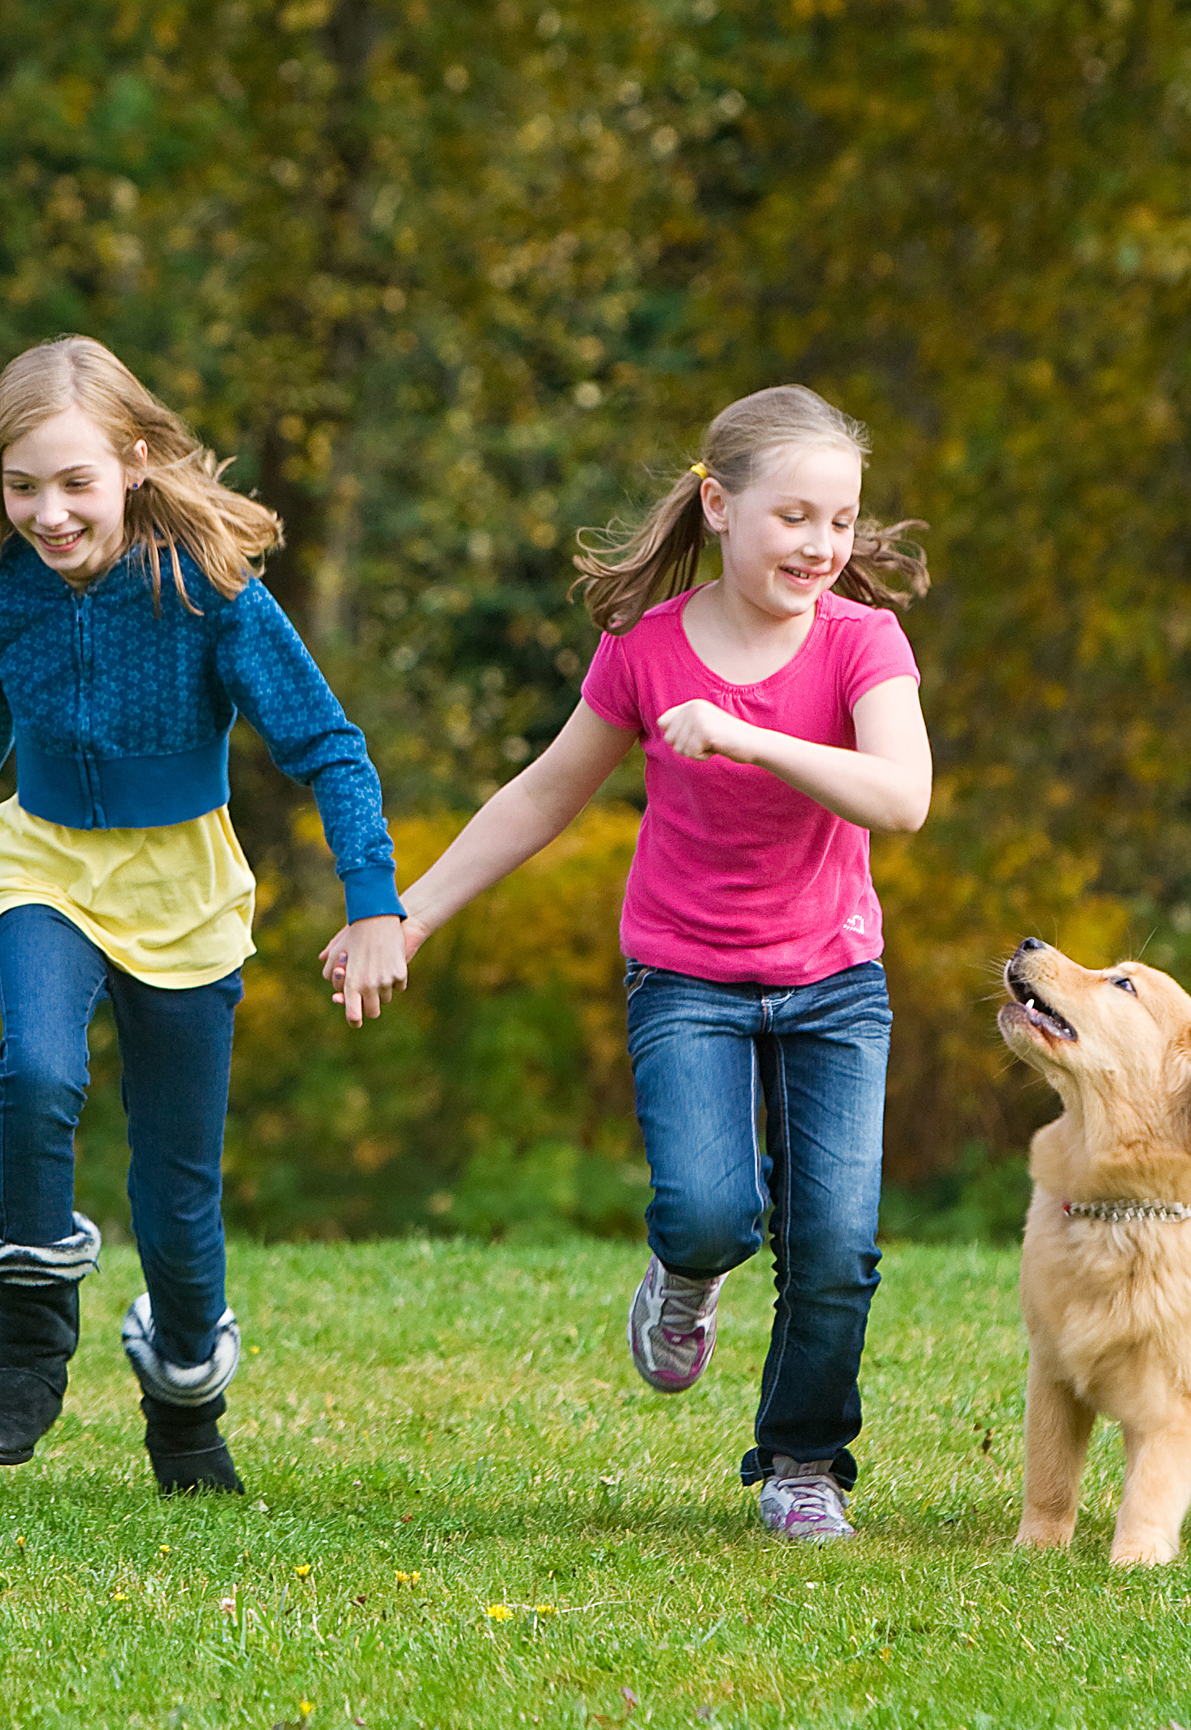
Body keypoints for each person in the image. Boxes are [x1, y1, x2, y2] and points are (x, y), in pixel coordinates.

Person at [335, 383, 931, 1541]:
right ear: (718, 504)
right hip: (688, 979)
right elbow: (543, 795)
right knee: (711, 1211)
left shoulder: (864, 643)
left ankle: (804, 1462)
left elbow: (902, 797)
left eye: (842, 522)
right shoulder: (646, 652)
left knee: (837, 1245)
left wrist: (753, 736)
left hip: (834, 984)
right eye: (794, 516)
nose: (821, 546)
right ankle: (686, 1275)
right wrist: (410, 915)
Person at [0, 335, 408, 1495]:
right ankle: (30, 1355)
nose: (47, 511)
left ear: (133, 463)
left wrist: (374, 901)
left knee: (175, 1188)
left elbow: (328, 747)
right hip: (46, 866)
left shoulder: (208, 589)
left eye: (74, 481)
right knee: (37, 1071)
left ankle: (187, 1408)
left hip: (182, 888)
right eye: (20, 486)